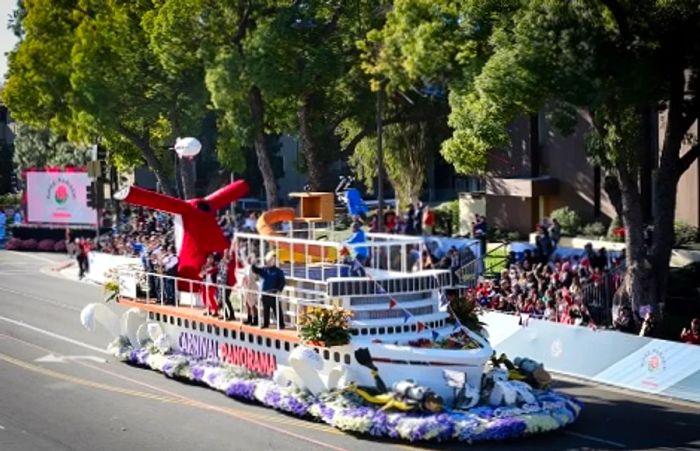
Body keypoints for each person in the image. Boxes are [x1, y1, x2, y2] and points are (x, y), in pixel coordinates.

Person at [251, 251, 286, 329]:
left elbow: (282, 282)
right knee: (265, 310)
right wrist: (253, 262)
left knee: (277, 310)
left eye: (273, 260)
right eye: (270, 260)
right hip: (264, 294)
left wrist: (278, 290)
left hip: (273, 293)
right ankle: (266, 324)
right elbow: (255, 270)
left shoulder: (278, 271)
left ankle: (281, 324)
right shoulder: (264, 269)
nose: (271, 261)